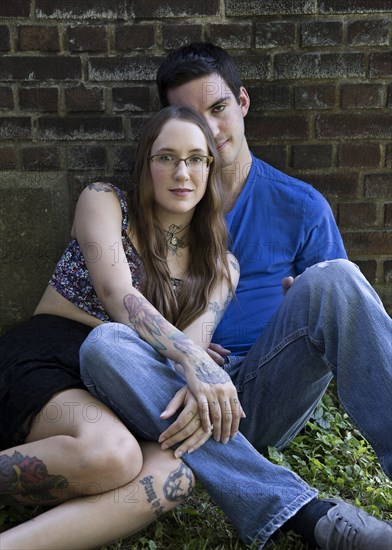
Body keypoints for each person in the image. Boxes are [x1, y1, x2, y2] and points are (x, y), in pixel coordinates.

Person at [79, 43, 392, 549]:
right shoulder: (153, 207)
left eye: (218, 108)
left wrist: (306, 302)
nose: (209, 129)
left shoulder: (301, 206)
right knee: (104, 346)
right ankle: (310, 516)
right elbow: (121, 298)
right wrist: (192, 360)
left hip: (263, 388)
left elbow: (339, 311)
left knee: (334, 278)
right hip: (172, 392)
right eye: (191, 117)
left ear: (242, 103)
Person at [0, 105, 241, 549]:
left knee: (176, 473)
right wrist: (190, 357)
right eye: (166, 157)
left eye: (195, 158)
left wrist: (191, 359)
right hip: (54, 357)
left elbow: (192, 350)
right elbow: (118, 295)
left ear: (211, 167)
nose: (181, 172)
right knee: (111, 456)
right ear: (146, 164)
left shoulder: (222, 267)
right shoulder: (105, 201)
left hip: (129, 381)